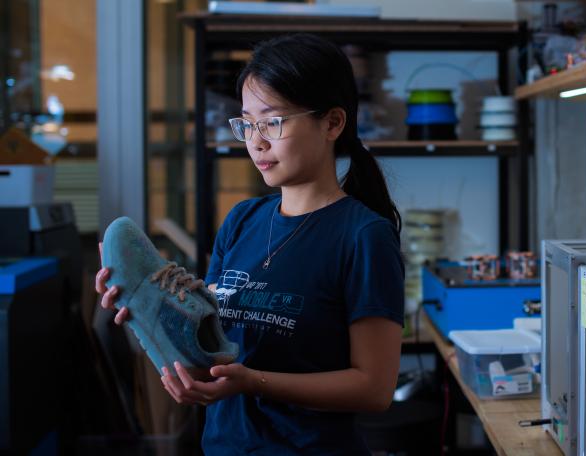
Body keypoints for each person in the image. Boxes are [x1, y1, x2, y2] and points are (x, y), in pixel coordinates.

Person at [95, 33, 405, 454]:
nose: (255, 141)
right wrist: (147, 310)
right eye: (246, 123)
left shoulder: (364, 236)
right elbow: (210, 342)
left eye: (272, 121)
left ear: (332, 122)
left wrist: (254, 381)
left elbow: (373, 389)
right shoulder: (242, 220)